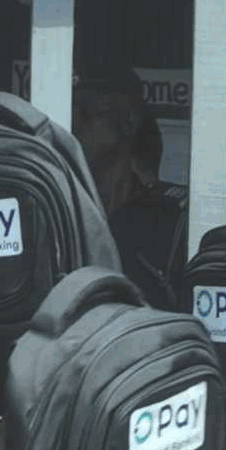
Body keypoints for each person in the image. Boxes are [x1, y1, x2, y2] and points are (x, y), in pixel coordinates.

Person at [76, 70, 186, 300]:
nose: (73, 125)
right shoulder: (62, 209)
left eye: (86, 114)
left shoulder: (170, 221)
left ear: (128, 122)